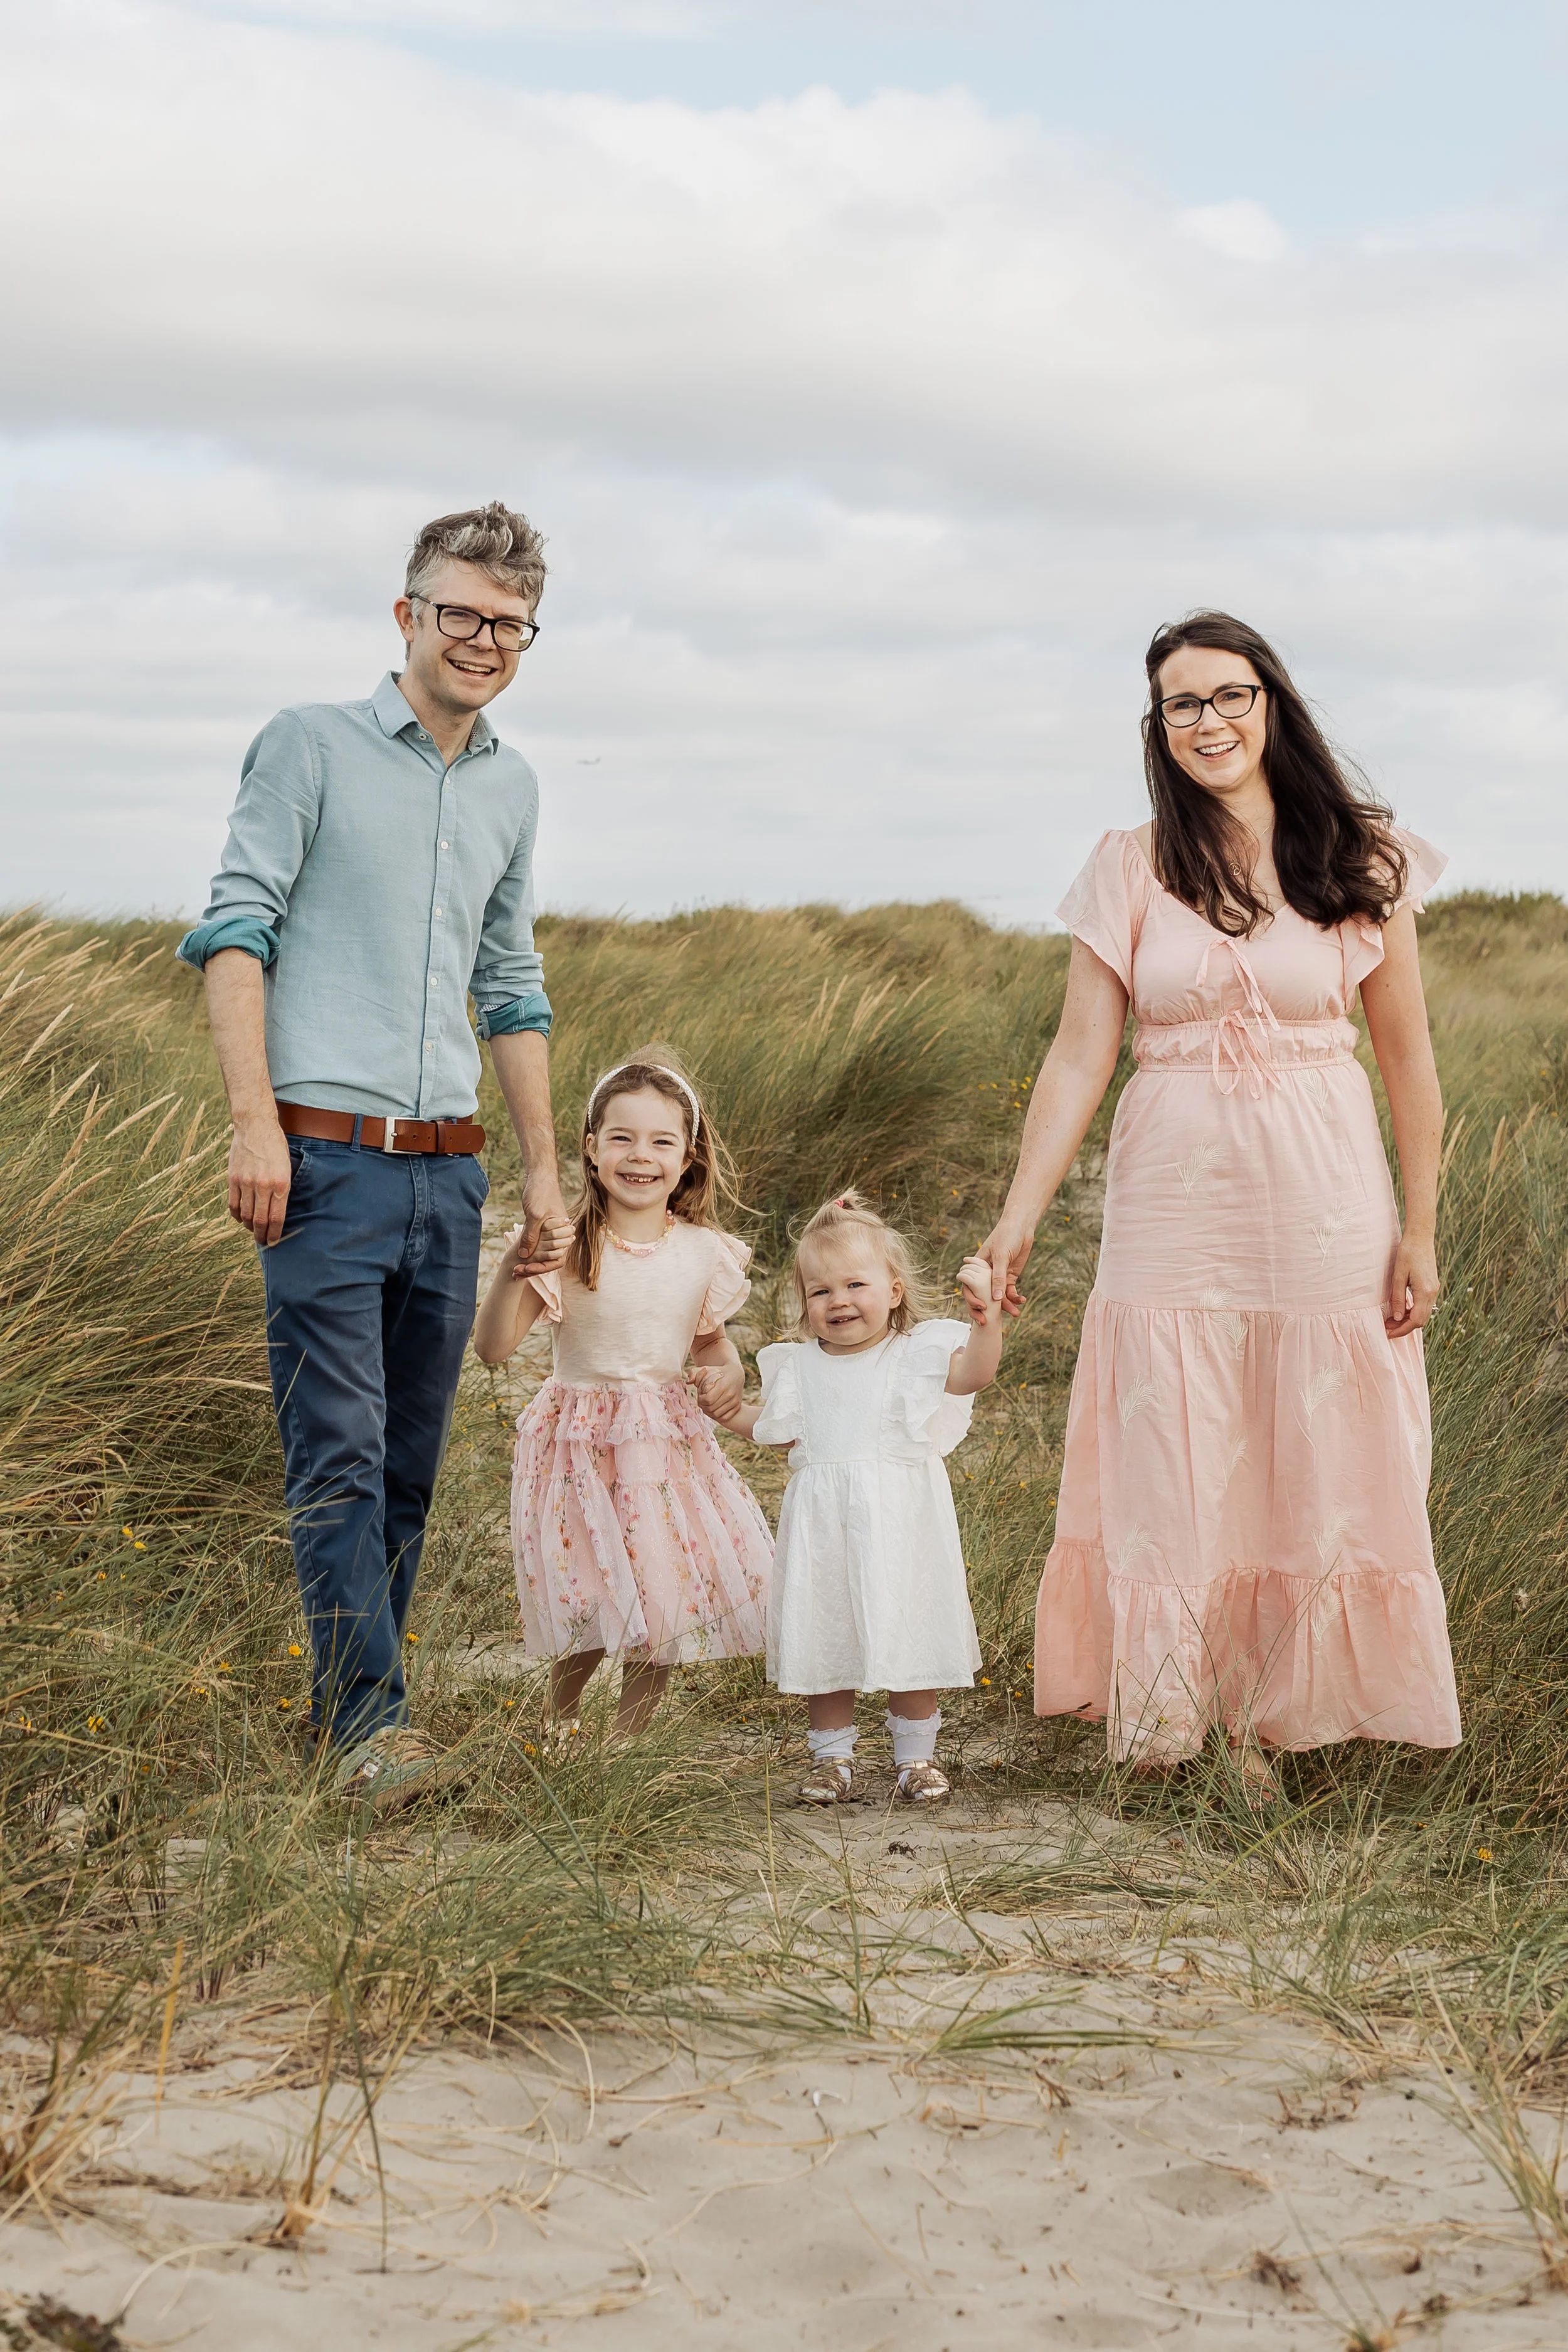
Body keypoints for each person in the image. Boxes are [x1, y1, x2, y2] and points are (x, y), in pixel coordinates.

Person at [978, 611, 1461, 1798]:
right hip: (1173, 1197)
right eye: (1183, 704)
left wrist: (1422, 1228)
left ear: (1273, 704)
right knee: (1173, 1441)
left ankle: (1268, 1718)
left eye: (1231, 695)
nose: (1210, 721)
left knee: (1314, 1440)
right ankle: (1175, 1711)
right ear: (1161, 727)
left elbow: (1409, 1062)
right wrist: (1016, 1215)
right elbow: (1080, 1056)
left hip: (1326, 1196)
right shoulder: (1129, 863)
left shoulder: (1362, 858)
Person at [178, 500, 573, 1812]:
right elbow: (238, 933)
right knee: (338, 1452)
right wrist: (254, 1126)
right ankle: (370, 1725)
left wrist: (541, 1174)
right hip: (323, 1163)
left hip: (448, 1176)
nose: (482, 640)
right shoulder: (308, 748)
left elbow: (509, 985)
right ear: (408, 615)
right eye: (459, 613)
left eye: (508, 625)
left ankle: (352, 1716)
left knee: (407, 1461)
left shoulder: (512, 785)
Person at [475, 1052, 772, 1734]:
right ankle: (562, 1727)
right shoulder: (569, 1244)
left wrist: (727, 1373)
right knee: (588, 1593)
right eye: (622, 1138)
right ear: (591, 1147)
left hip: (664, 1446)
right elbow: (492, 1348)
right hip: (578, 1446)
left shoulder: (703, 1252)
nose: (641, 1156)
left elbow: (709, 1343)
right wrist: (518, 1261)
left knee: (660, 1596)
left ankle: (625, 1748)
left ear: (688, 1156)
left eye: (661, 1141)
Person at [704, 1193, 1006, 1806]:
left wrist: (986, 1320)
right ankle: (831, 1759)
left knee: (910, 1634)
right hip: (825, 1530)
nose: (838, 1301)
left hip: (902, 1524)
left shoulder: (915, 1354)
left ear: (894, 1291)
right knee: (827, 1638)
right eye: (820, 1291)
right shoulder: (799, 1367)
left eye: (854, 1285)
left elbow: (974, 1374)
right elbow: (775, 1429)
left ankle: (915, 1758)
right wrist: (727, 1411)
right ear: (803, 1302)